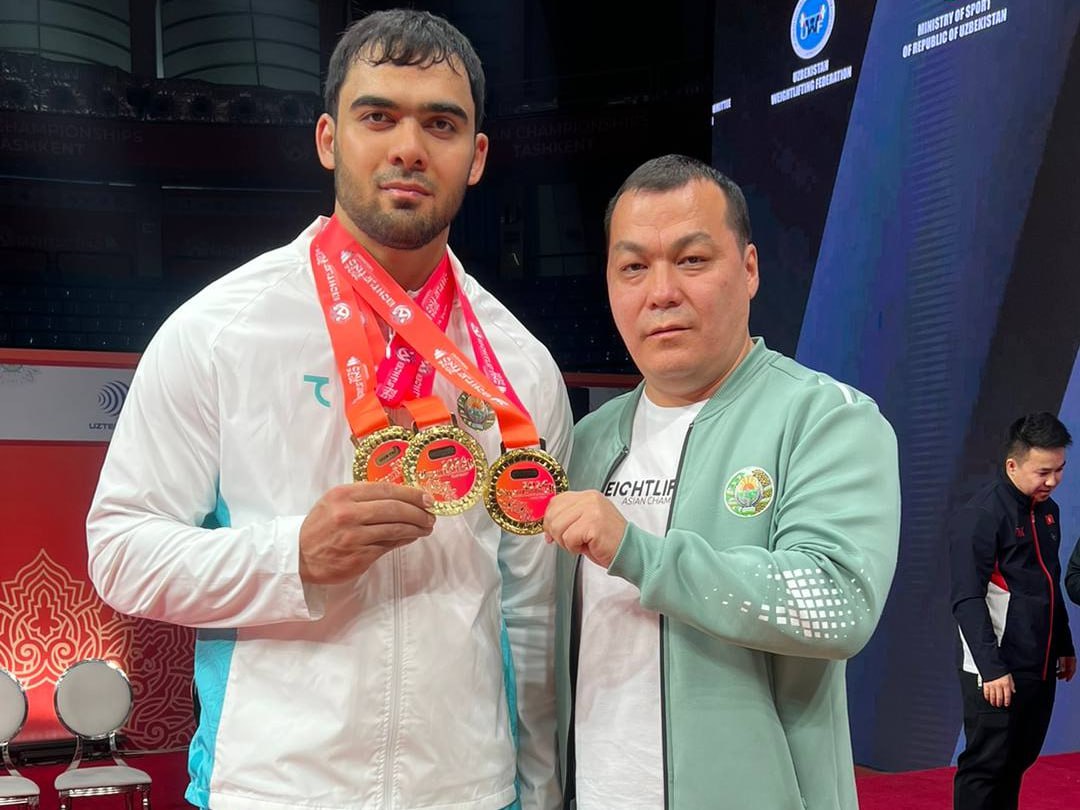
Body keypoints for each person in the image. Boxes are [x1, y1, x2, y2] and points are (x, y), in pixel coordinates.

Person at [86, 10, 571, 810]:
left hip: (467, 791)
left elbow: (532, 607)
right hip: (273, 789)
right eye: (378, 116)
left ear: (477, 156)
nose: (409, 147)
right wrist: (293, 557)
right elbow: (120, 551)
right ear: (327, 139)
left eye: (441, 124)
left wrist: (539, 791)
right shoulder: (220, 331)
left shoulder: (520, 365)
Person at [542, 154, 901, 809]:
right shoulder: (587, 442)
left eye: (692, 260)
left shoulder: (825, 418)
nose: (661, 292)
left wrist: (637, 551)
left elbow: (836, 603)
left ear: (750, 268)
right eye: (633, 267)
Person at [950, 412, 1076, 810]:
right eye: (1043, 472)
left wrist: (1064, 644)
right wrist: (991, 669)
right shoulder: (982, 514)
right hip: (997, 666)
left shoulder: (1049, 512)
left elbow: (1048, 580)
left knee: (1017, 761)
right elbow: (967, 598)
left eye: (1059, 470)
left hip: (1039, 662)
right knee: (985, 767)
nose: (1053, 481)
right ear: (1012, 465)